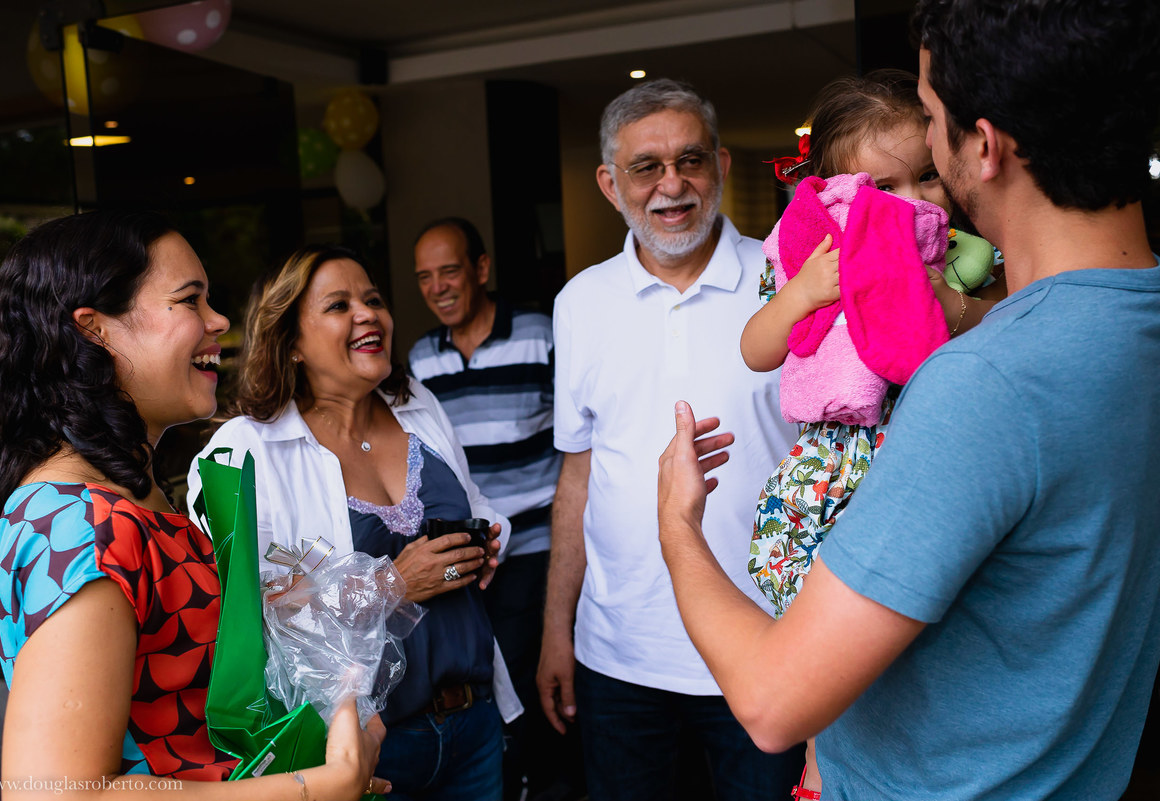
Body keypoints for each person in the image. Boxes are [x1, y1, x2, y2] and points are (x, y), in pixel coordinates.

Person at [656, 1, 1160, 798]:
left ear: (982, 147)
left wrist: (677, 526)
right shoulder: (1129, 330)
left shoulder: (982, 384)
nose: (924, 147)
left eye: (929, 119)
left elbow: (771, 701)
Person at [0, 211, 383, 799]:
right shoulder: (79, 522)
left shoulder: (129, 498)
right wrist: (322, 784)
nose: (218, 321)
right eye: (190, 301)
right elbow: (56, 793)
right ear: (95, 329)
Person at [739, 69, 1003, 797]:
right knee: (818, 630)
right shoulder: (813, 257)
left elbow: (1010, 318)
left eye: (927, 178)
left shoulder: (956, 256)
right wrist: (801, 293)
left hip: (919, 462)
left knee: (915, 634)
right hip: (831, 468)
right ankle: (822, 763)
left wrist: (956, 309)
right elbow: (756, 348)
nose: (915, 202)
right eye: (885, 187)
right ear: (833, 194)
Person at [538, 78, 803, 800]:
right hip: (620, 659)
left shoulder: (786, 278)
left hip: (768, 647)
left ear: (720, 165)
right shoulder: (581, 303)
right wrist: (556, 630)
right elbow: (577, 482)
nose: (672, 184)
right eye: (646, 167)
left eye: (690, 160)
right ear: (609, 183)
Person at [186, 244, 522, 801]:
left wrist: (489, 540)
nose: (368, 314)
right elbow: (244, 616)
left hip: (473, 723)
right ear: (291, 341)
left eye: (373, 299)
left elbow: (479, 504)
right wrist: (391, 585)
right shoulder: (245, 452)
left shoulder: (417, 404)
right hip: (363, 749)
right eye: (339, 305)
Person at [407, 218, 577, 800]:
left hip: (535, 545)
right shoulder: (419, 362)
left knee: (529, 671)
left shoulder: (539, 333)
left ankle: (540, 781)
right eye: (424, 277)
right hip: (466, 554)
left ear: (480, 270)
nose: (438, 287)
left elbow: (579, 439)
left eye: (449, 270)